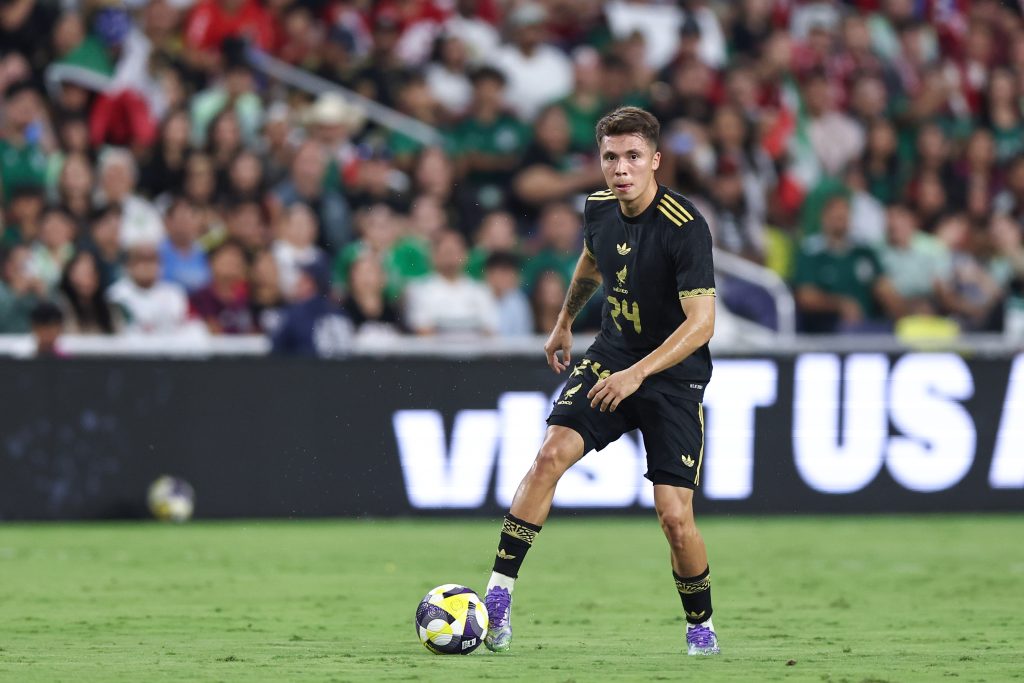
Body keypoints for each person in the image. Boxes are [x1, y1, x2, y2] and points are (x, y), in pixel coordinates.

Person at [480, 107, 720, 656]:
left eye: (633, 156)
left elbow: (702, 323)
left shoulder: (687, 227)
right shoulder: (597, 209)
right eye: (611, 157)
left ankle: (700, 625)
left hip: (671, 377)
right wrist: (565, 322)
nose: (621, 168)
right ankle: (498, 595)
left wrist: (638, 375)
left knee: (674, 517)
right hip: (612, 355)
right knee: (548, 457)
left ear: (655, 161)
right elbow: (592, 262)